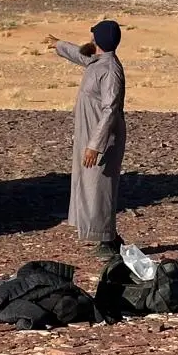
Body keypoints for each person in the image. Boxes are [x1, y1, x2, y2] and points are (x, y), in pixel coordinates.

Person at [48, 20, 127, 259]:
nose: (90, 40)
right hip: (89, 134)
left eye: (94, 37)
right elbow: (80, 55)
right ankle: (107, 237)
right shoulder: (97, 61)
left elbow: (110, 110)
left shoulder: (110, 70)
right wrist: (58, 45)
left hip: (101, 139)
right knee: (89, 187)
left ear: (100, 40)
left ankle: (107, 240)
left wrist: (95, 145)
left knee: (100, 189)